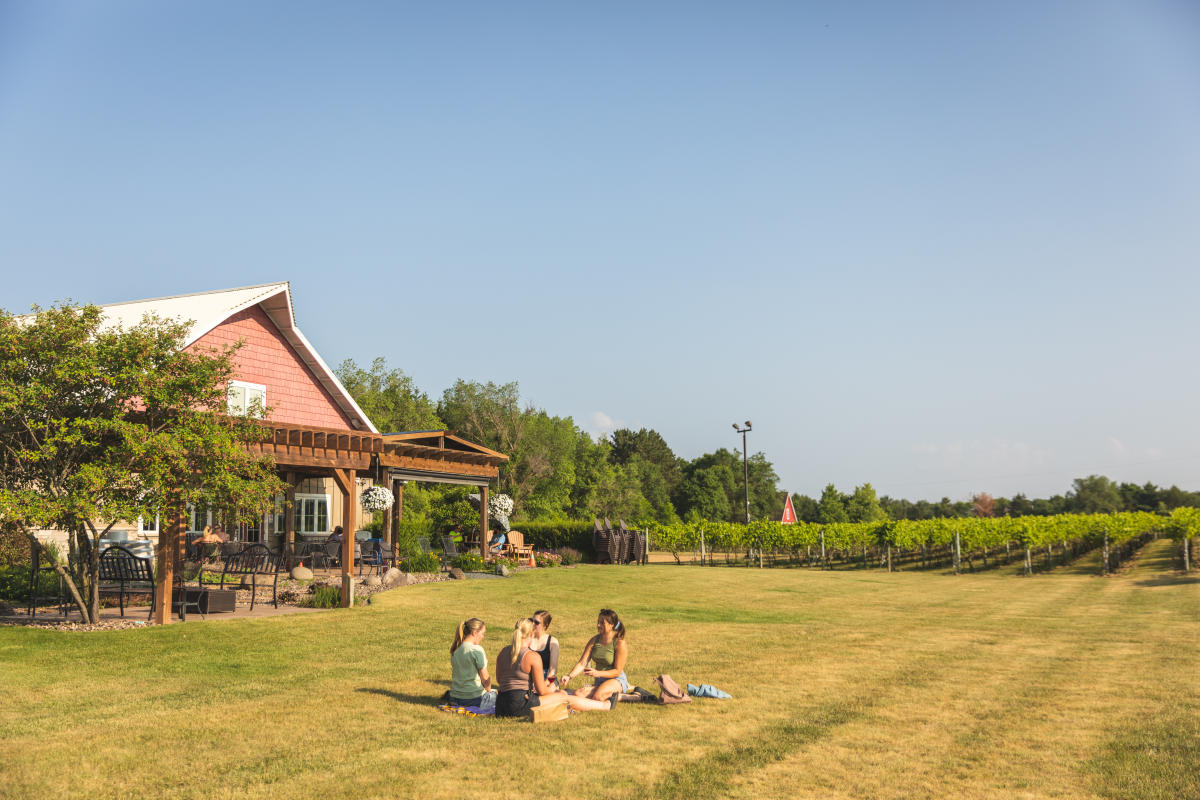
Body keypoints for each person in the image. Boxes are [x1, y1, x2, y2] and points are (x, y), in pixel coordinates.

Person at [494, 618, 613, 718]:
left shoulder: (503, 652)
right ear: (531, 634)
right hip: (520, 704)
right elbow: (543, 690)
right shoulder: (532, 656)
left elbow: (500, 680)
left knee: (559, 694)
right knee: (563, 697)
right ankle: (604, 706)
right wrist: (551, 688)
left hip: (501, 706)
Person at [560, 609, 628, 704]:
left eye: (602, 623)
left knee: (598, 697)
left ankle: (632, 697)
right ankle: (605, 692)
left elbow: (617, 671)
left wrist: (598, 673)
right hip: (600, 681)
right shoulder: (594, 640)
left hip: (616, 680)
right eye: (598, 622)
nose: (598, 625)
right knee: (578, 694)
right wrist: (569, 676)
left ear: (611, 625)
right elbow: (582, 663)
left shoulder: (619, 643)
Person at [449, 618, 492, 707]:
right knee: (501, 696)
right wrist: (489, 692)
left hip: (454, 697)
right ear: (475, 632)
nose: (483, 637)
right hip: (474, 698)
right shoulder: (476, 650)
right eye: (482, 633)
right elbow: (485, 677)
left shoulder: (456, 649)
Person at [528, 610, 559, 683]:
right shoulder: (527, 638)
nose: (532, 624)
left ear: (545, 625)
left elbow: (553, 671)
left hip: (546, 678)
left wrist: (544, 684)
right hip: (528, 678)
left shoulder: (552, 642)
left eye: (536, 622)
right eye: (532, 621)